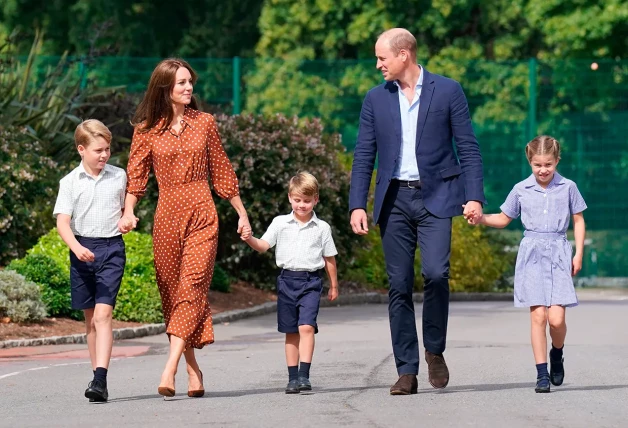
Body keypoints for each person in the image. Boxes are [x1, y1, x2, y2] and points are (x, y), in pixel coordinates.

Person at [349, 28, 486, 395]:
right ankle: (406, 370)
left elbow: (468, 147)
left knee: (437, 274)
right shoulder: (375, 99)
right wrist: (357, 204)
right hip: (393, 200)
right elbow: (364, 154)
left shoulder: (448, 90)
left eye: (382, 57)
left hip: (438, 197)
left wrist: (474, 196)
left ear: (404, 55)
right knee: (398, 285)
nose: (378, 65)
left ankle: (435, 350)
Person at [119, 58, 251, 398]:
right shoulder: (146, 129)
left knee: (192, 287)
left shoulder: (204, 123)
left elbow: (221, 170)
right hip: (166, 217)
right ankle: (194, 371)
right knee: (174, 294)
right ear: (165, 88)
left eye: (190, 82)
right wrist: (129, 212)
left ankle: (170, 367)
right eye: (181, 83)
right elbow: (136, 178)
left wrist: (241, 212)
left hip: (202, 212)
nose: (189, 87)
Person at [467, 135, 586, 393]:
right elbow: (503, 217)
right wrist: (480, 219)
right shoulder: (521, 189)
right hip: (531, 254)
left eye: (548, 165)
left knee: (556, 320)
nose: (543, 170)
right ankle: (542, 374)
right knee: (538, 316)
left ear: (557, 161)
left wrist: (577, 254)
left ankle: (557, 353)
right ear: (530, 162)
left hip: (558, 253)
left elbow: (578, 219)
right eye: (538, 165)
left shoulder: (568, 187)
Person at [243, 172, 339, 394]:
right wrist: (249, 238)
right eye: (297, 200)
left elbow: (329, 258)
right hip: (287, 281)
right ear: (290, 198)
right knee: (291, 332)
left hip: (311, 282)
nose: (302, 205)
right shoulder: (280, 223)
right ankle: (293, 378)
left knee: (306, 327)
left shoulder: (322, 228)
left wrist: (333, 285)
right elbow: (264, 245)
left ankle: (305, 375)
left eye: (307, 200)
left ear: (316, 199)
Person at [54, 119, 129, 402]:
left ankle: (100, 379)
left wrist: (128, 217)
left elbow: (126, 208)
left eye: (108, 149)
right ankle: (98, 379)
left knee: (103, 315)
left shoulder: (118, 176)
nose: (104, 155)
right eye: (98, 150)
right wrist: (75, 247)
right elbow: (63, 222)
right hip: (82, 249)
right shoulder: (70, 182)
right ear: (81, 150)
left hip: (111, 249)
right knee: (90, 322)